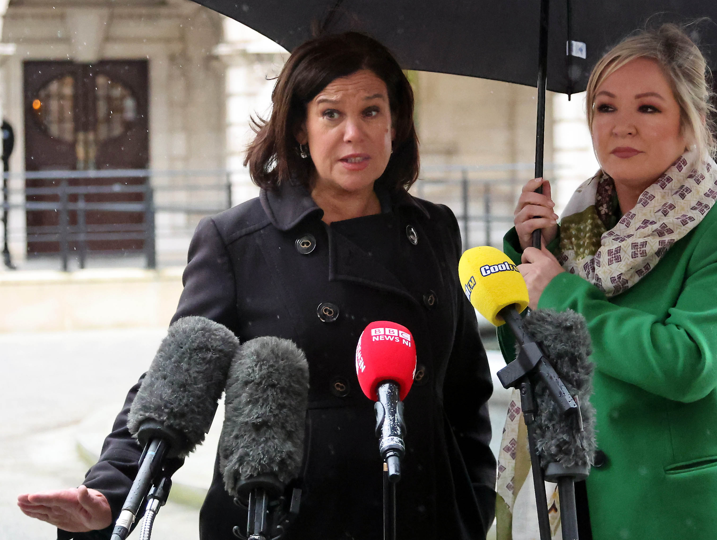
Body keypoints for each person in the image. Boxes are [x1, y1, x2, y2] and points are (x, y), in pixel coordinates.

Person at [18, 31, 496, 539]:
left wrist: (473, 501)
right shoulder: (238, 240)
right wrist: (111, 491)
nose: (354, 133)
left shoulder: (434, 228)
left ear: (395, 124)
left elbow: (465, 389)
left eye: (372, 112)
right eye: (331, 114)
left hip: (422, 513)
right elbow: (179, 378)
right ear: (298, 129)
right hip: (290, 517)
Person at [500, 24, 717, 539]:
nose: (622, 126)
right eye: (606, 108)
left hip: (686, 516)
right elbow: (527, 364)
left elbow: (687, 364)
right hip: (582, 510)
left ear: (688, 123)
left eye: (648, 108)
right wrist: (530, 253)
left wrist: (559, 293)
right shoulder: (578, 234)